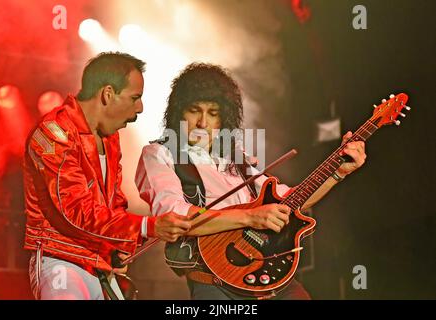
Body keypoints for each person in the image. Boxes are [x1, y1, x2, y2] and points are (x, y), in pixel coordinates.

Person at [135, 63, 366, 300]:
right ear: (178, 111)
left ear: (224, 118)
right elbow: (175, 215)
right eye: (195, 110)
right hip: (213, 280)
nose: (203, 123)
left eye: (213, 113)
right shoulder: (159, 154)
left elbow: (290, 200)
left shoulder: (237, 157)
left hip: (265, 271)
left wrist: (337, 173)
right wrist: (251, 216)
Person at [23, 52, 191, 300]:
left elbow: (114, 204)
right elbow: (75, 211)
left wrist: (116, 246)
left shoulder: (110, 138)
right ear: (107, 93)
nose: (140, 108)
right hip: (62, 262)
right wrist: (147, 226)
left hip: (98, 266)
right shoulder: (54, 133)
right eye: (135, 98)